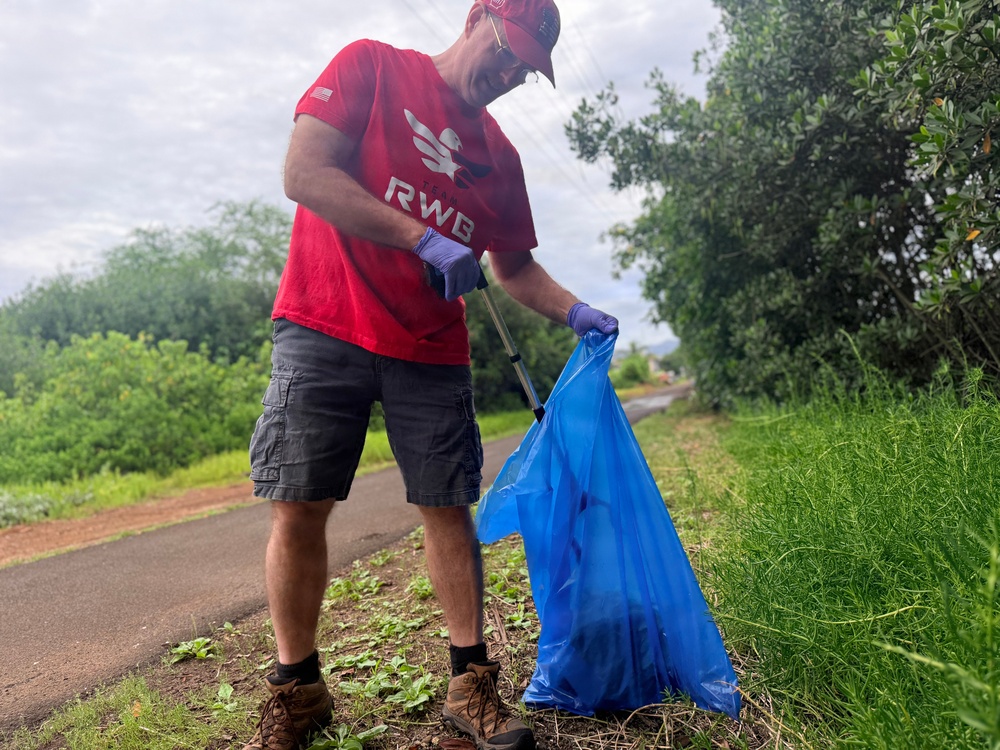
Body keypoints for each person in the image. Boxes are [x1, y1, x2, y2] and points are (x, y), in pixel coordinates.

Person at [243, 1, 618, 748]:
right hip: (325, 320)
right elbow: (303, 172)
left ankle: (468, 683)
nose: (510, 75)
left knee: (450, 506)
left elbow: (512, 268)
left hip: (430, 345)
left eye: (526, 70)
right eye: (508, 52)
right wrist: (422, 236)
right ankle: (299, 690)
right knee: (299, 503)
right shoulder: (370, 68)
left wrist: (578, 312)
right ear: (479, 16)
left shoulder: (499, 157)